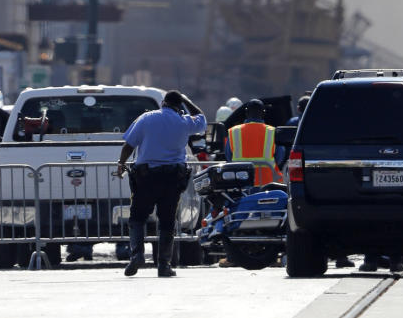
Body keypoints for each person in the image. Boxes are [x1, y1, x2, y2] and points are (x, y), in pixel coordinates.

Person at [116, 89, 206, 278]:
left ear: (163, 102)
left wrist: (121, 164)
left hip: (147, 177)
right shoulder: (184, 121)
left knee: (137, 217)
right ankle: (164, 265)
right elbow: (202, 119)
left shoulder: (146, 118)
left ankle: (137, 256)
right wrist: (186, 100)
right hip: (173, 179)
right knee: (167, 221)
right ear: (179, 105)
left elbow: (128, 145)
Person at [223, 99, 284, 186]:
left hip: (241, 183)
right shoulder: (273, 132)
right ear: (263, 113)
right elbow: (279, 157)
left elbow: (229, 157)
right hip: (268, 184)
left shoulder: (234, 131)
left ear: (246, 113)